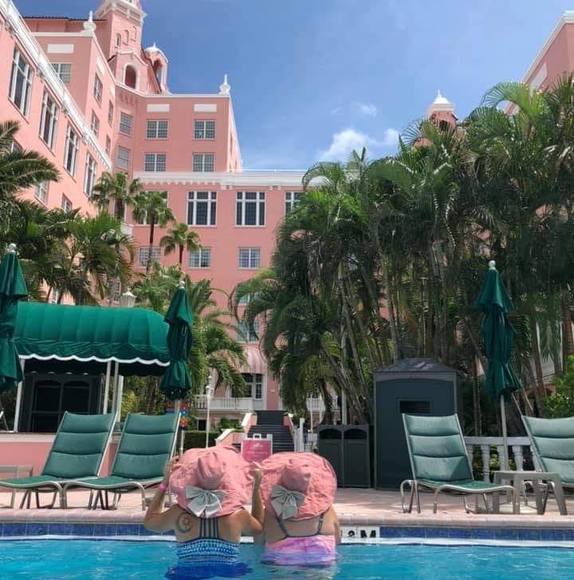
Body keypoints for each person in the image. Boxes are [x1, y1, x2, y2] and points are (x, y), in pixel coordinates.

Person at [144, 446, 263, 579]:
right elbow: (259, 528)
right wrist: (256, 489)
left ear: (192, 477)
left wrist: (164, 483)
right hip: (228, 575)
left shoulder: (177, 513)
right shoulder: (238, 516)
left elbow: (149, 523)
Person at [257, 452, 340, 567]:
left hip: (284, 563)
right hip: (322, 560)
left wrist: (255, 491)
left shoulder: (272, 513)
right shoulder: (326, 511)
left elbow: (258, 542)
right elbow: (338, 540)